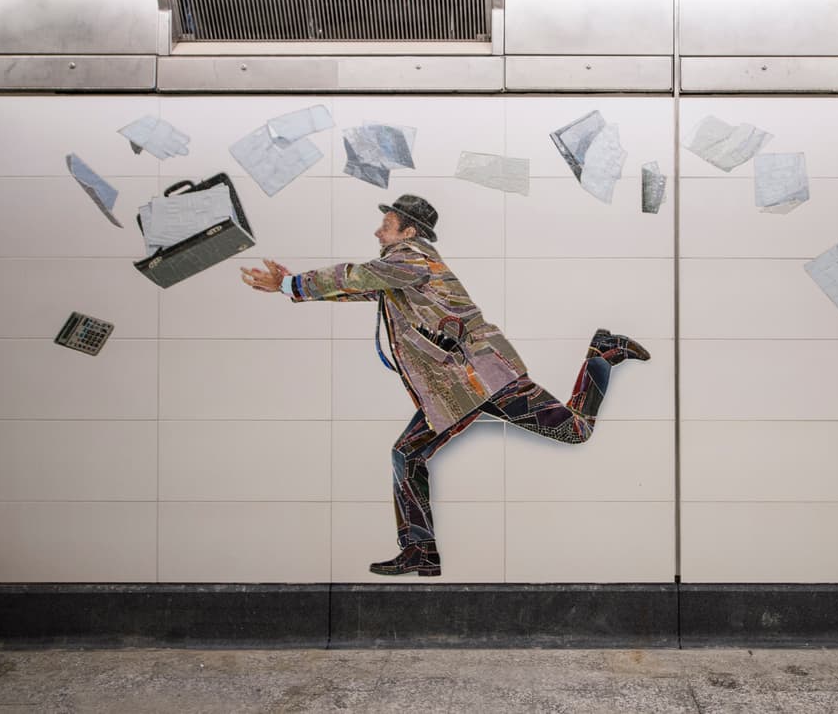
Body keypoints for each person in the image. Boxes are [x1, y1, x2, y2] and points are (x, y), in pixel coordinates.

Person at [241, 194, 650, 577]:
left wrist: (291, 284)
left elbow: (358, 275)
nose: (377, 232)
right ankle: (421, 550)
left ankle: (602, 352)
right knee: (407, 455)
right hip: (457, 388)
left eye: (386, 225)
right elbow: (362, 289)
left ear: (408, 232)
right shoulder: (404, 270)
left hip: (484, 376)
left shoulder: (412, 258)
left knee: (575, 431)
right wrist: (290, 287)